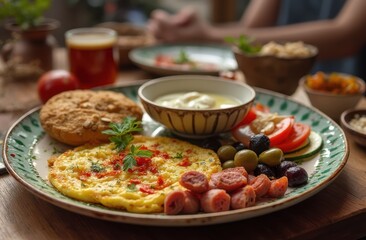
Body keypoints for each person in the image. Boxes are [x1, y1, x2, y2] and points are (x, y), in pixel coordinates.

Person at [147, 0, 366, 79]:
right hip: (282, 88)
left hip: (348, 103)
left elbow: (345, 36)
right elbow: (250, 30)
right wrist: (201, 34)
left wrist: (208, 36)